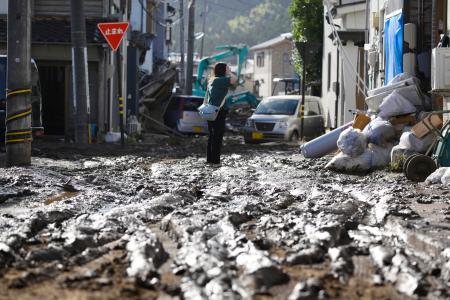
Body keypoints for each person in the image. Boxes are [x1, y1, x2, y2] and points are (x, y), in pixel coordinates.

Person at [206, 62, 238, 165]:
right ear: (223, 70)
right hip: (218, 111)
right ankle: (215, 161)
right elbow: (234, 79)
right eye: (227, 68)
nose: (228, 69)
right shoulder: (220, 80)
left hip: (210, 111)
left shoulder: (212, 80)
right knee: (217, 137)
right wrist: (229, 72)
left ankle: (210, 159)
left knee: (212, 136)